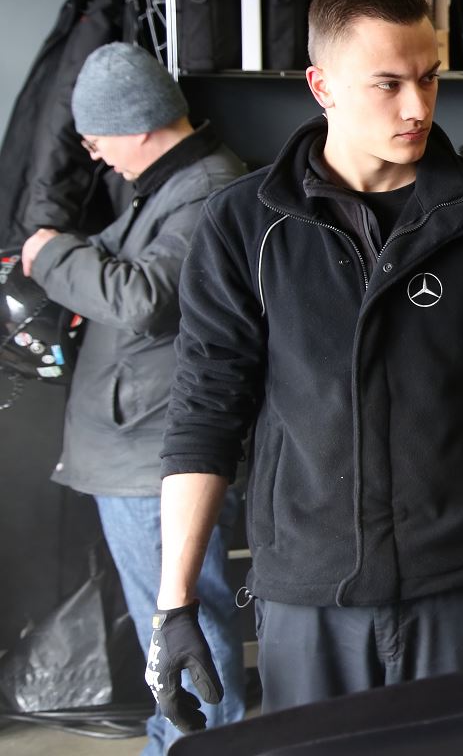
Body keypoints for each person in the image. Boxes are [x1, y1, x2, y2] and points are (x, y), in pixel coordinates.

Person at [150, 0, 463, 731]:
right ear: (321, 86)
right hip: (309, 591)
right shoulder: (242, 223)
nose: (418, 106)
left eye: (429, 78)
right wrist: (174, 605)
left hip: (461, 582)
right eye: (388, 84)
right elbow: (206, 409)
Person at [21, 41, 248, 756]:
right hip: (139, 447)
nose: (94, 157)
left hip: (154, 456)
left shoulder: (206, 188)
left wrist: (52, 255)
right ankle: (172, 742)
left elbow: (145, 297)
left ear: (137, 123)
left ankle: (198, 746)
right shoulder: (170, 185)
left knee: (184, 622)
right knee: (168, 624)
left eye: (96, 140)